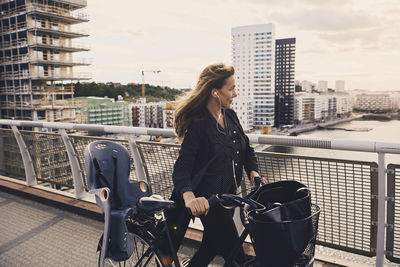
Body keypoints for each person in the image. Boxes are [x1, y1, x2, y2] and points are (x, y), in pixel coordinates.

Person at [167, 63, 263, 267]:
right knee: (237, 258)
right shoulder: (199, 123)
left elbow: (246, 149)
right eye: (231, 89)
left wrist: (253, 173)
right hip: (207, 202)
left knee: (209, 249)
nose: (235, 94)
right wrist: (190, 197)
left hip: (227, 198)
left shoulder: (230, 116)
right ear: (215, 92)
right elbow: (183, 165)